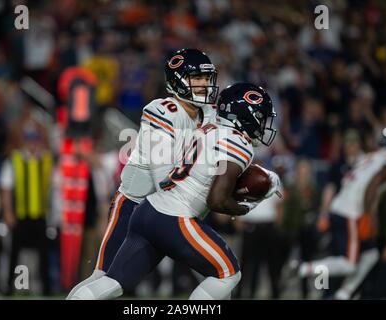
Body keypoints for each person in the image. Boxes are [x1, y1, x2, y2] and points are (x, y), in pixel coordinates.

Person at [70, 83, 281, 300]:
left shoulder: (207, 129)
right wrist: (244, 208)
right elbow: (217, 199)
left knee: (114, 282)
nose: (262, 124)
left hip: (148, 211)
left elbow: (208, 177)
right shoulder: (238, 142)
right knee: (228, 273)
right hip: (175, 219)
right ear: (247, 115)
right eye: (260, 117)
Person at [67, 48, 219, 298]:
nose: (204, 84)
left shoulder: (208, 115)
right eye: (197, 78)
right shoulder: (163, 110)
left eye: (206, 77)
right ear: (177, 80)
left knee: (221, 272)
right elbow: (164, 177)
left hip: (167, 212)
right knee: (105, 279)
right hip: (136, 207)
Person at [299, 127, 386, 300]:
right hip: (351, 213)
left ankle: (344, 293)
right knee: (350, 264)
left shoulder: (373, 155)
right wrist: (369, 215)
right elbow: (373, 184)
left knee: (371, 254)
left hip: (343, 209)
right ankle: (305, 268)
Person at [0, 128, 54, 295]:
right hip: (21, 214)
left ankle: (46, 288)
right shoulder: (15, 160)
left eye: (35, 140)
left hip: (40, 214)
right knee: (14, 252)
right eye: (29, 140)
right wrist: (8, 212)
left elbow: (52, 187)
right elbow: (6, 187)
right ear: (24, 142)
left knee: (44, 254)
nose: (33, 144)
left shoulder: (45, 160)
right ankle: (8, 287)